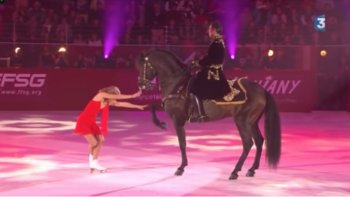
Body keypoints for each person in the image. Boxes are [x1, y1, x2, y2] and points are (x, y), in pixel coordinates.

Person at [75, 86, 147, 173]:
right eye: (115, 95)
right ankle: (92, 162)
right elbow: (118, 98)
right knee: (94, 143)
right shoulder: (100, 95)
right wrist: (132, 95)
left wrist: (137, 106)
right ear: (111, 94)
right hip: (83, 121)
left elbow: (122, 103)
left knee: (100, 140)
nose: (116, 97)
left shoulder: (107, 102)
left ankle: (94, 162)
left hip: (91, 122)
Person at [189, 21, 231, 122]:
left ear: (214, 30)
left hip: (212, 73)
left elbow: (211, 59)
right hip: (214, 71)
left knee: (193, 88)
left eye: (209, 29)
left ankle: (201, 114)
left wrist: (199, 62)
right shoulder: (218, 41)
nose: (208, 31)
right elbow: (212, 57)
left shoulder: (216, 43)